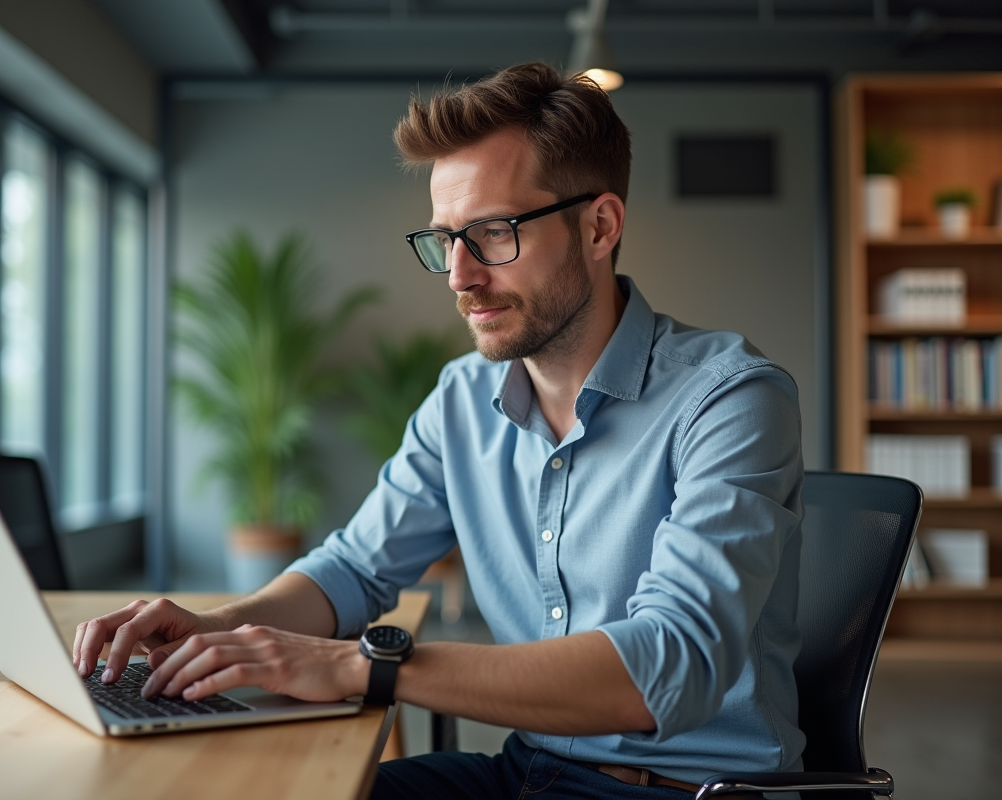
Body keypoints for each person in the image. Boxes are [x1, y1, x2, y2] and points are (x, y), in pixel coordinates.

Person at [73, 62, 805, 799]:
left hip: (681, 790)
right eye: (444, 239)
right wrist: (219, 630)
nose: (459, 274)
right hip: (529, 773)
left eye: (493, 233)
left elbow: (666, 667)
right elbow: (356, 571)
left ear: (599, 225)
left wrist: (365, 666)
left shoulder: (731, 399)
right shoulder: (462, 399)